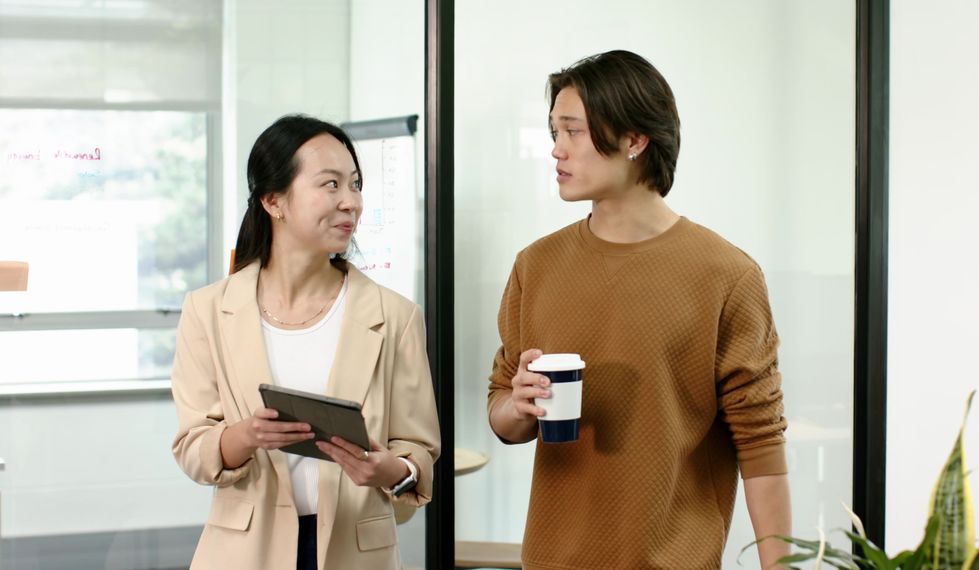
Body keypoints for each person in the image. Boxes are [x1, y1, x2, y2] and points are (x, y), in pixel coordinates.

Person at [486, 50, 791, 569]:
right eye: (553, 132)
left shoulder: (726, 274)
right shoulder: (534, 266)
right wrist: (516, 405)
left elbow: (760, 447)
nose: (557, 150)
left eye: (573, 131)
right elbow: (502, 417)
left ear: (634, 139)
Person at [171, 114, 440, 570]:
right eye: (331, 185)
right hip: (243, 553)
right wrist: (245, 436)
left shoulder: (395, 316)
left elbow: (418, 450)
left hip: (356, 551)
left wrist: (391, 469)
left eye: (355, 184)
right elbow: (192, 448)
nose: (351, 202)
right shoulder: (208, 311)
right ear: (274, 200)